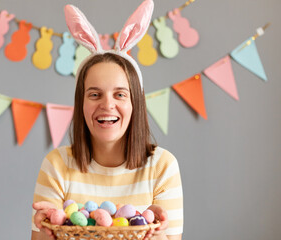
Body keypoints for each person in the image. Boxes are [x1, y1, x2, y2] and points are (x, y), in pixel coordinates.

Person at [31, 1, 183, 239]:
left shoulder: (163, 166)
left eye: (120, 94)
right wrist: (46, 231)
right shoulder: (57, 165)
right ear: (81, 103)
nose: (107, 104)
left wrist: (156, 234)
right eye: (94, 94)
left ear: (136, 104)